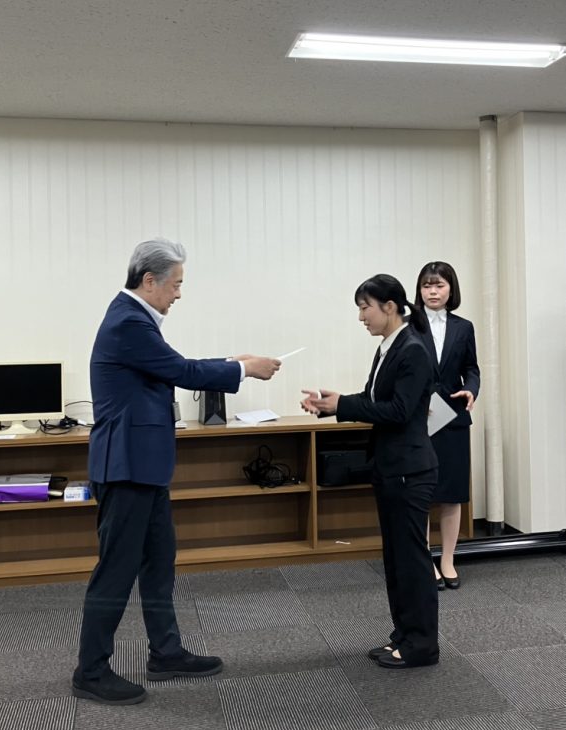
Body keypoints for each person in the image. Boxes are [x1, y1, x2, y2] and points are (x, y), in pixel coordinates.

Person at [72, 237, 280, 705]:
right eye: (176, 284)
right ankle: (91, 670)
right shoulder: (128, 322)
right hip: (126, 467)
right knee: (117, 570)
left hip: (144, 466)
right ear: (150, 281)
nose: (179, 294)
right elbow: (181, 371)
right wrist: (244, 369)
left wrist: (233, 363)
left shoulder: (136, 319)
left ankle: (166, 652)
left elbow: (172, 367)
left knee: (158, 561)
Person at [301, 274, 439, 669]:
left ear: (390, 307)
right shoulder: (388, 347)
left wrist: (344, 406)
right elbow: (374, 398)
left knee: (411, 561)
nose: (361, 316)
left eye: (365, 308)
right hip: (390, 467)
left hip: (410, 470)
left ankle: (422, 645)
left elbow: (399, 411)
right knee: (395, 559)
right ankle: (405, 635)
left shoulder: (413, 349)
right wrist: (334, 404)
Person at [414, 261, 480, 590]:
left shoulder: (464, 327)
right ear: (419, 290)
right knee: (423, 494)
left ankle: (448, 560)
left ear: (450, 288)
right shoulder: (408, 326)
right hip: (420, 419)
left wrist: (472, 389)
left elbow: (472, 368)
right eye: (427, 285)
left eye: (439, 285)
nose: (433, 291)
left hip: (453, 417)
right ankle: (425, 561)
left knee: (452, 494)